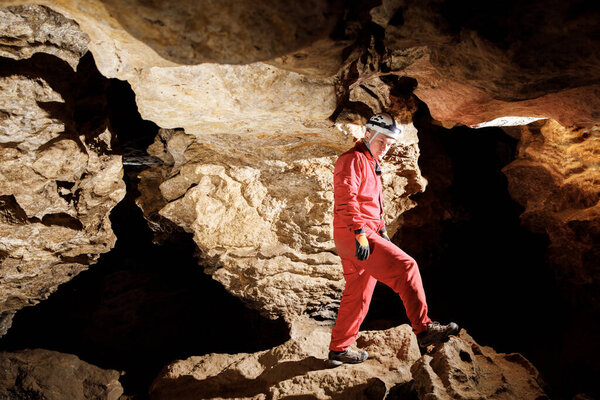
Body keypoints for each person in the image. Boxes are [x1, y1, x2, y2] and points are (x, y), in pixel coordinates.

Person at [328, 112, 459, 367]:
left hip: (364, 232)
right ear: (367, 134)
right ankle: (424, 329)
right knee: (406, 266)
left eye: (389, 144)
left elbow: (372, 205)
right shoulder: (351, 160)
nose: (385, 148)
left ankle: (339, 349)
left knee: (358, 292)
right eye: (381, 142)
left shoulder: (371, 161)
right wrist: (360, 234)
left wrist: (382, 231)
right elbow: (346, 200)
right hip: (354, 234)